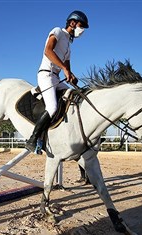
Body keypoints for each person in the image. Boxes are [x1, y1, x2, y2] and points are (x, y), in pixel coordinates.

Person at [25, 10, 89, 153]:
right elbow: (48, 51)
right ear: (72, 23)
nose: (82, 30)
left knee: (73, 95)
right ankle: (33, 138)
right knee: (52, 107)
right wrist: (65, 70)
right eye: (81, 25)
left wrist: (71, 75)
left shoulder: (68, 46)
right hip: (45, 75)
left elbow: (67, 67)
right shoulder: (57, 31)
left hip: (56, 77)